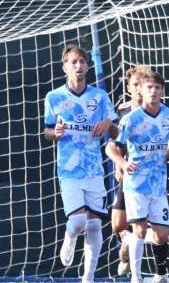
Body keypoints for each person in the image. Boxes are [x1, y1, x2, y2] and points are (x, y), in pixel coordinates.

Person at [43, 45, 118, 283]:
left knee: (95, 227)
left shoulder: (100, 97)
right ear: (65, 67)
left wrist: (108, 123)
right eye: (73, 62)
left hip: (94, 169)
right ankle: (69, 236)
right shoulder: (54, 97)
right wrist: (55, 132)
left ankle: (88, 278)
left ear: (88, 65)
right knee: (77, 222)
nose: (78, 66)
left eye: (82, 62)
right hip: (69, 169)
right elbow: (47, 132)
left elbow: (116, 133)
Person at [106, 71, 169, 283]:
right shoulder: (131, 119)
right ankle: (137, 278)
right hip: (135, 183)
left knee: (162, 235)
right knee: (138, 229)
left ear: (162, 91)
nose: (153, 91)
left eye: (157, 88)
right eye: (149, 87)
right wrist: (122, 163)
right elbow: (111, 148)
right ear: (140, 90)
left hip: (158, 184)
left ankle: (160, 273)